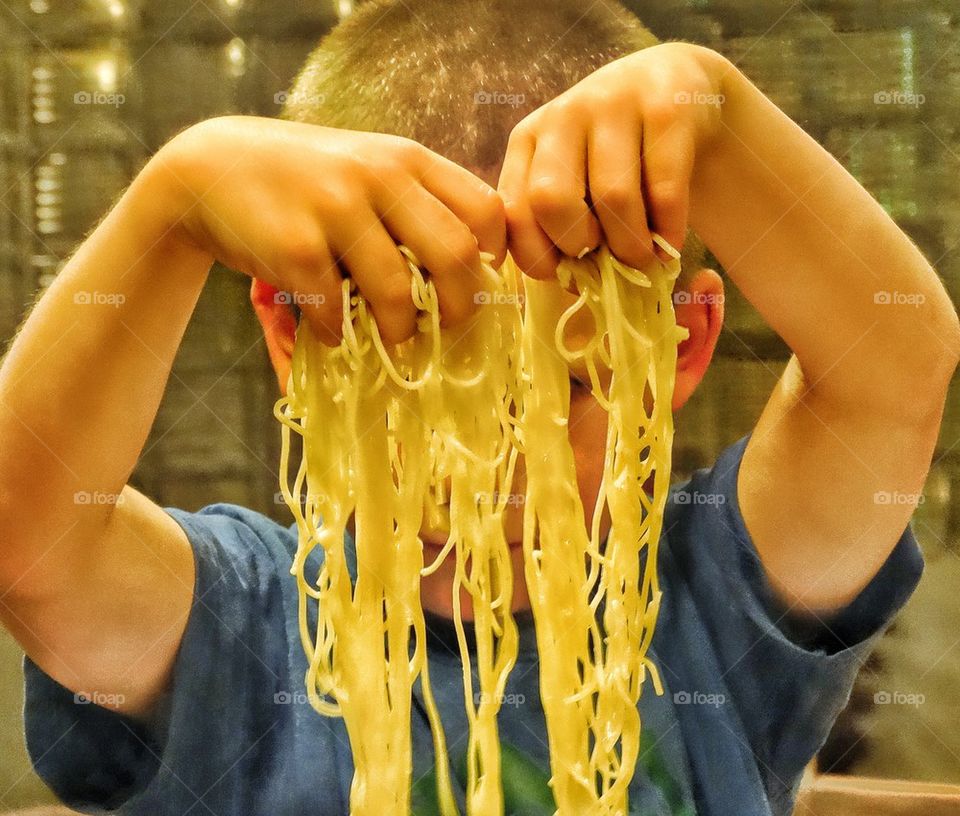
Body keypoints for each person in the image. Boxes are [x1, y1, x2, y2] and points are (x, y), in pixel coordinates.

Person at [1, 0, 957, 814]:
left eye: (571, 386)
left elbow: (896, 367)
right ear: (296, 337)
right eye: (416, 381)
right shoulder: (232, 628)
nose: (501, 469)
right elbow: (29, 543)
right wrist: (174, 204)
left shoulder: (720, 607)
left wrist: (716, 110)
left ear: (682, 347)